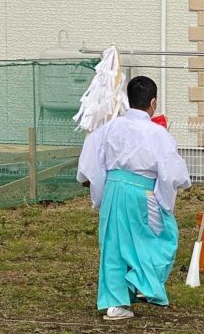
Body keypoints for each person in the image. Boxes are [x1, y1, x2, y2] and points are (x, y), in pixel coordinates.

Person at [77, 76, 191, 321]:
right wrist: (176, 187)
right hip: (143, 192)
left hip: (114, 189)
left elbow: (90, 162)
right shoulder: (157, 133)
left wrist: (94, 184)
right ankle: (142, 281)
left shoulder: (110, 127)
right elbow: (172, 171)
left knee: (114, 245)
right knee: (160, 238)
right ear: (153, 102)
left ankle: (115, 302)